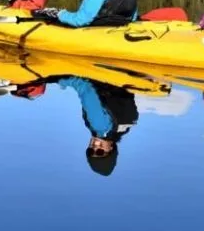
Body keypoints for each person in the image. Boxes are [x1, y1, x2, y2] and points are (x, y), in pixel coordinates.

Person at [10, 76, 138, 177]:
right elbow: (84, 86)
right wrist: (54, 80)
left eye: (90, 151)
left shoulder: (122, 129)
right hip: (104, 78)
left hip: (118, 82)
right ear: (111, 148)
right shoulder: (100, 126)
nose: (94, 147)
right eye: (100, 152)